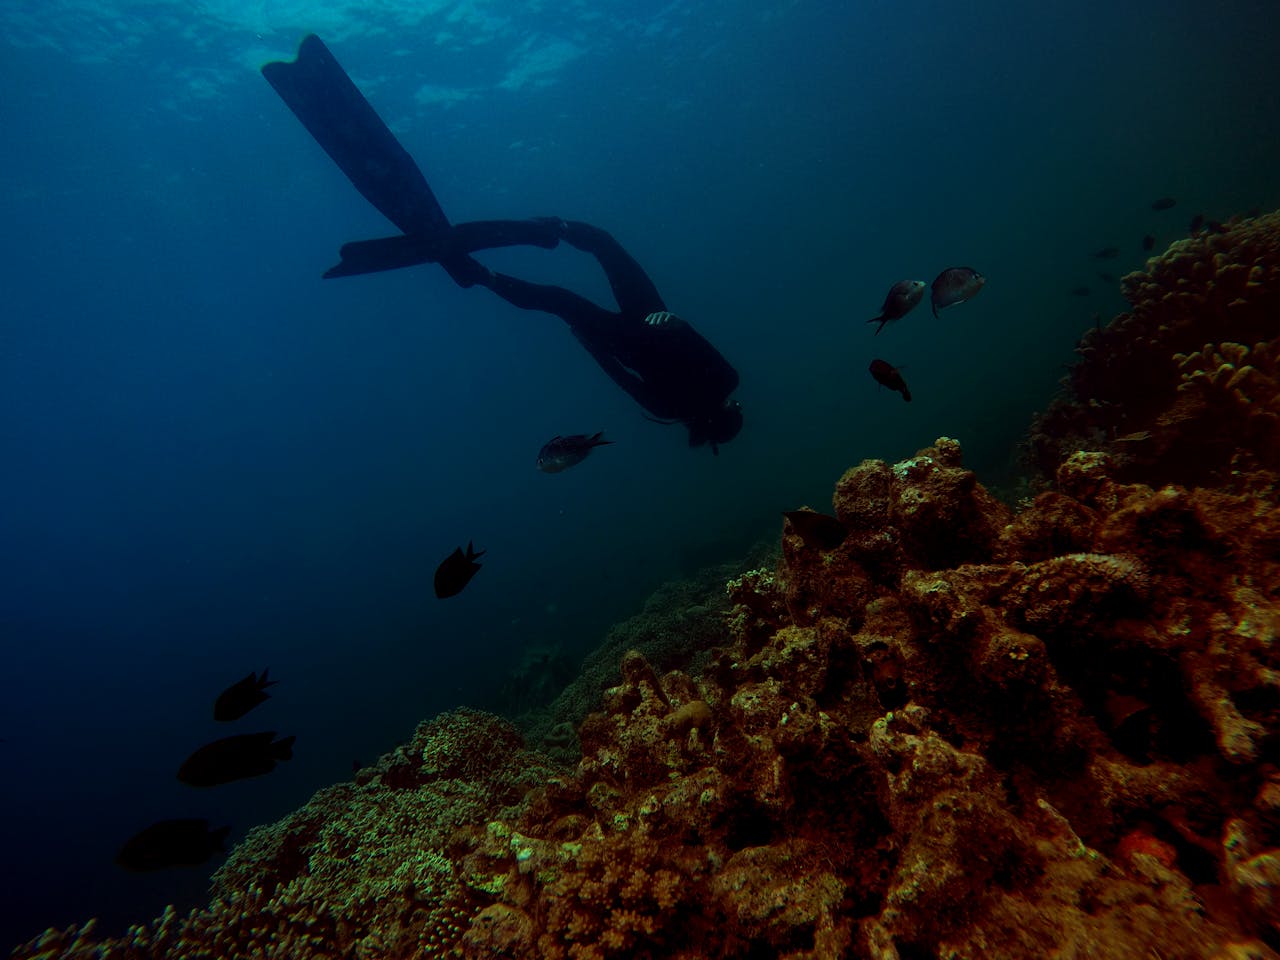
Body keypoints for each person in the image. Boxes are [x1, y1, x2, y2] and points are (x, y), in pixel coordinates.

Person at [262, 35, 742, 454]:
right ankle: (505, 258)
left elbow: (667, 353)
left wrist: (662, 326)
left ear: (724, 414)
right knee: (570, 290)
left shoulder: (720, 384)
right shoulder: (671, 406)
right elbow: (618, 372)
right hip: (645, 330)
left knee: (593, 263)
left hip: (648, 327)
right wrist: (600, 337)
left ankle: (529, 243)